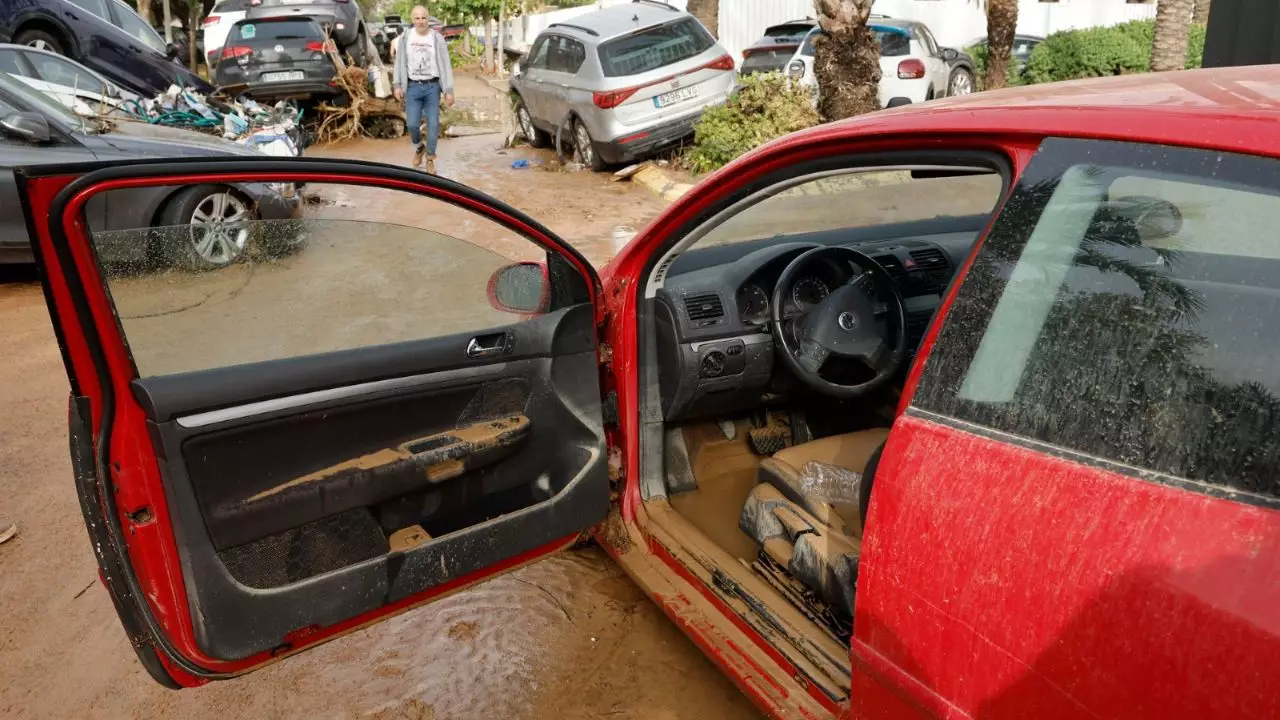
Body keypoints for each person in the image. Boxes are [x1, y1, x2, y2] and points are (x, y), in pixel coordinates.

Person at [392, 5, 455, 174]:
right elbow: (398, 63)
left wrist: (448, 90)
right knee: (412, 124)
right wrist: (397, 85)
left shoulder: (437, 38)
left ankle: (430, 158)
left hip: (432, 87)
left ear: (428, 19)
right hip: (412, 87)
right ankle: (419, 147)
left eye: (423, 18)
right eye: (417, 18)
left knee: (433, 124)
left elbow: (446, 64)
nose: (420, 21)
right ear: (412, 20)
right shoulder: (405, 37)